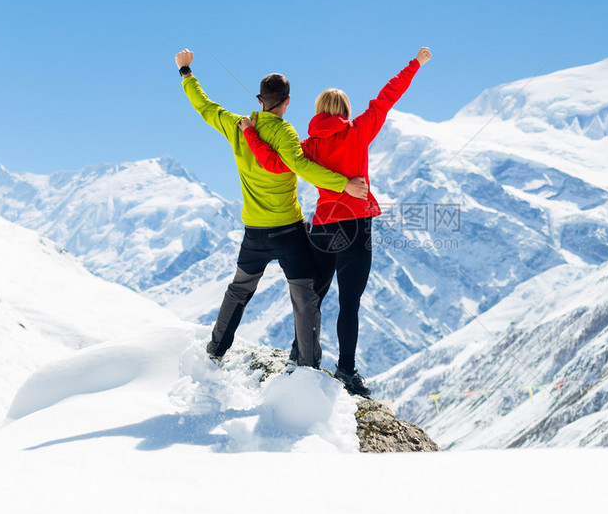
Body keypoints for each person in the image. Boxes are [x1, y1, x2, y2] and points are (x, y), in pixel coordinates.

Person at [241, 47, 432, 394]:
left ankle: (298, 356)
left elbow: (273, 163)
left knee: (313, 295)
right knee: (350, 302)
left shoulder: (306, 146)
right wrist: (415, 63)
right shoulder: (359, 131)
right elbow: (388, 95)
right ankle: (346, 370)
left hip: (322, 228)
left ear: (317, 112)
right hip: (355, 226)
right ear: (344, 111)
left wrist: (251, 134)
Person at [174, 48, 369, 368]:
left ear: (260, 99)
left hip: (254, 232)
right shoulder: (285, 133)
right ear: (287, 101)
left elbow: (204, 107)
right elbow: (302, 167)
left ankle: (215, 350)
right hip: (289, 230)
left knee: (239, 290)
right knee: (305, 297)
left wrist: (186, 72)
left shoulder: (236, 125)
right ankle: (307, 367)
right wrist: (343, 184)